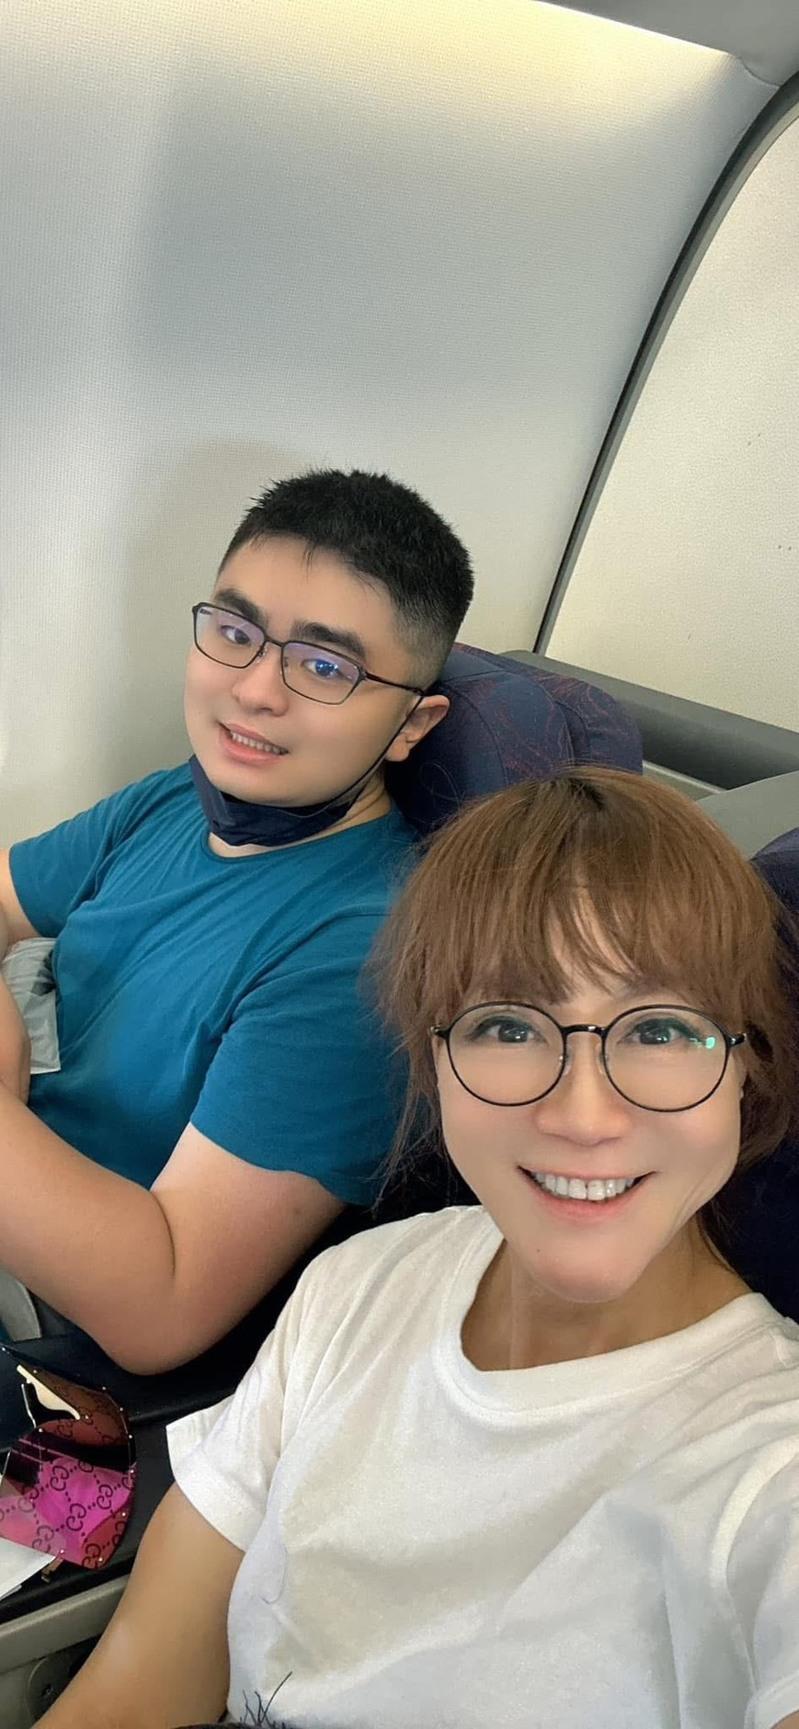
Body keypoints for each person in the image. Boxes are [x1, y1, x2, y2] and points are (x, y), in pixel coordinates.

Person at [39, 768, 799, 1729]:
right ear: (431, 1057)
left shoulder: (766, 1471)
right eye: (508, 1025)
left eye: (659, 1028)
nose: (583, 1115)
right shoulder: (362, 1285)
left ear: (746, 1064)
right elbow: (136, 1684)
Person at [0, 469, 473, 1370]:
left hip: (45, 1327)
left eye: (325, 666)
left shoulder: (365, 951)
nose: (255, 690)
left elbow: (163, 1309)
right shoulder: (176, 801)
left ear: (413, 725)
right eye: (235, 631)